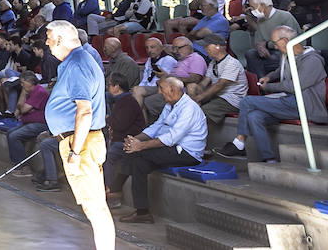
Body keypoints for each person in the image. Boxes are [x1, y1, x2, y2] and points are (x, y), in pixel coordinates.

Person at [43, 20, 113, 250]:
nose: (47, 42)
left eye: (49, 37)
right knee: (92, 206)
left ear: (61, 39)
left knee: (95, 207)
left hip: (80, 142)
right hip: (77, 140)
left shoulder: (77, 65)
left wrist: (74, 152)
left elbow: (84, 111)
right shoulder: (73, 62)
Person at [212, 26, 328, 163]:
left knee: (247, 101)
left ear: (285, 40)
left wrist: (268, 87)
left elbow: (293, 86)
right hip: (290, 102)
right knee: (254, 116)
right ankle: (269, 159)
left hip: (305, 105)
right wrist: (269, 77)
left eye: (275, 43)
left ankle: (239, 143)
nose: (276, 47)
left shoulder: (312, 60)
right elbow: (281, 70)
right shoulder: (289, 55)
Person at [108, 76, 206, 223]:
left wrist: (140, 145)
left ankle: (116, 189)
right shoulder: (170, 105)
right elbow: (156, 127)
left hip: (186, 153)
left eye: (161, 88)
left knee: (138, 154)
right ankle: (142, 213)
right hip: (171, 149)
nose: (159, 92)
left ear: (173, 90)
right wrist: (136, 139)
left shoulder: (189, 108)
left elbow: (172, 138)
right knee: (137, 161)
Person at [100, 71, 145, 206]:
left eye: (109, 85)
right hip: (118, 139)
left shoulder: (128, 102)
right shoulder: (120, 101)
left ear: (116, 87)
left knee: (109, 156)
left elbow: (120, 124)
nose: (108, 88)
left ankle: (113, 194)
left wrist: (108, 119)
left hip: (129, 141)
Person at [188, 34, 247, 125]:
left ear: (218, 46)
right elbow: (205, 82)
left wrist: (199, 97)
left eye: (207, 46)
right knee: (191, 87)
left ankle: (197, 132)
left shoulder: (232, 63)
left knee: (202, 111)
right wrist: (195, 90)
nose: (204, 48)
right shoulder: (213, 63)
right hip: (217, 96)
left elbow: (220, 85)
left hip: (231, 100)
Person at [243, 0, 299, 77]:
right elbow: (258, 41)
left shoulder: (285, 16)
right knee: (251, 54)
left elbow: (289, 42)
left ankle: (262, 83)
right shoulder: (260, 20)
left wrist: (266, 44)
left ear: (262, 6)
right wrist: (260, 47)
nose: (251, 10)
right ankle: (261, 84)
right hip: (269, 53)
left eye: (253, 8)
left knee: (256, 65)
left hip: (285, 53)